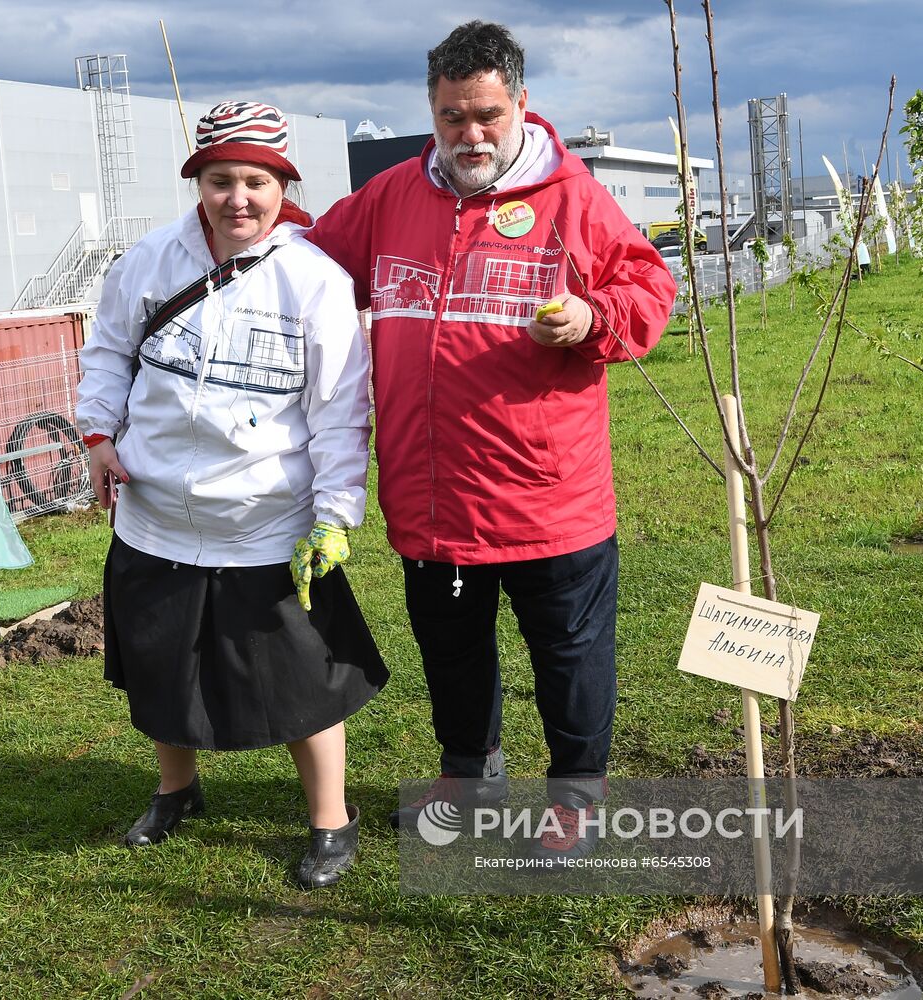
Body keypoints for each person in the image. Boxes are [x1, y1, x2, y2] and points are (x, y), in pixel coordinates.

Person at [306, 21, 677, 862]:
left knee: (570, 659)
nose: (469, 135)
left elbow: (650, 287)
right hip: (432, 499)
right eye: (450, 118)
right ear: (430, 112)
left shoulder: (572, 196)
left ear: (520, 104)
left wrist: (593, 317)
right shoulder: (393, 197)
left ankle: (577, 797)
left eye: (486, 115)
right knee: (452, 652)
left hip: (551, 497)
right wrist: (246, 208)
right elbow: (311, 262)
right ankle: (471, 781)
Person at [76, 101, 388, 889]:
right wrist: (98, 436)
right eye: (221, 180)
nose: (238, 198)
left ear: (284, 185)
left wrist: (335, 514)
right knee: (158, 666)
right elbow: (109, 353)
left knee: (300, 681)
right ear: (198, 182)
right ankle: (176, 792)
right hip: (154, 518)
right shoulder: (147, 261)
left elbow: (340, 412)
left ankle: (330, 820)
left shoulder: (315, 281)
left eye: (256, 181)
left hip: (266, 524)